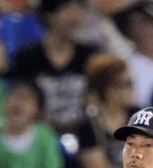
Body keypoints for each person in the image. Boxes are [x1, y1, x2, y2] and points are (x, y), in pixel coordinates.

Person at [9, 0, 97, 134]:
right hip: (39, 134)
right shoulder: (27, 57)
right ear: (49, 15)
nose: (74, 16)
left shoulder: (89, 56)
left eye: (79, 9)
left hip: (82, 134)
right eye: (67, 9)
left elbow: (95, 100)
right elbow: (22, 97)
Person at [73, 52, 138, 168]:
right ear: (108, 90)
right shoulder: (88, 126)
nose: (132, 89)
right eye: (126, 84)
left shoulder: (139, 117)